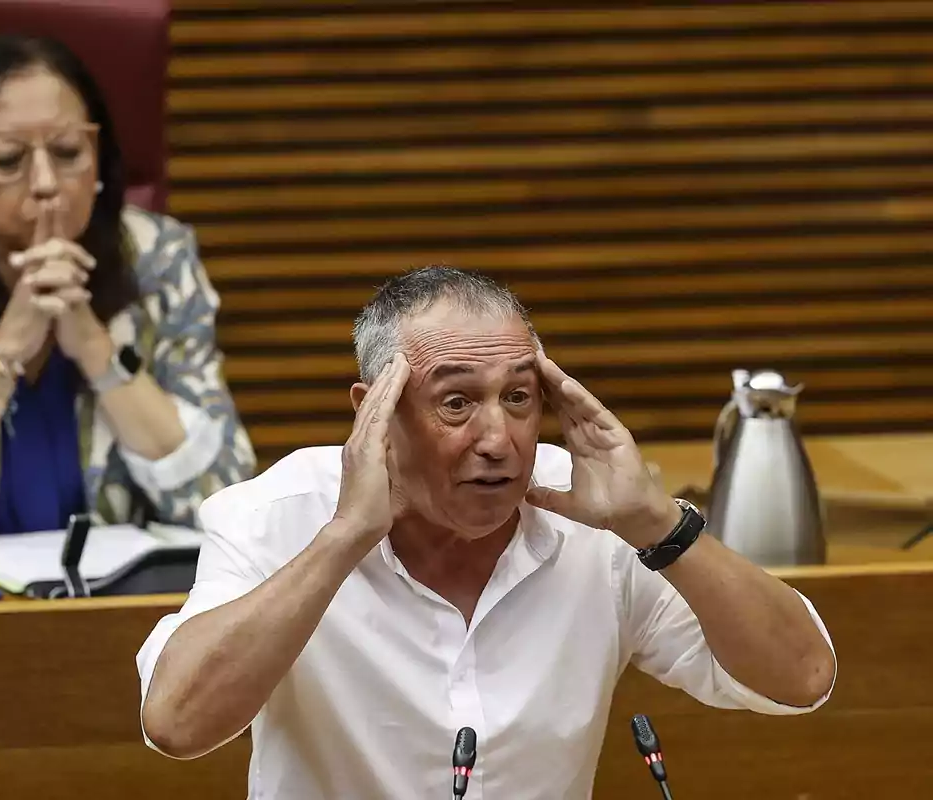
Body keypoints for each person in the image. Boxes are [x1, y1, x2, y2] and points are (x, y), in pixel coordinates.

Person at [135, 266, 837, 799]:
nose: (497, 439)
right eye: (457, 402)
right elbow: (177, 724)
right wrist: (344, 538)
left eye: (519, 399)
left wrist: (654, 522)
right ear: (373, 413)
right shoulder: (275, 515)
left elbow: (801, 679)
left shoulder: (594, 521)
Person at [0, 35, 255, 552]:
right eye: (8, 159)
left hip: (119, 608)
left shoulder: (157, 258)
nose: (45, 182)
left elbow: (227, 499)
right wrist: (6, 348)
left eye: (68, 152)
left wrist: (97, 350)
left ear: (98, 156)